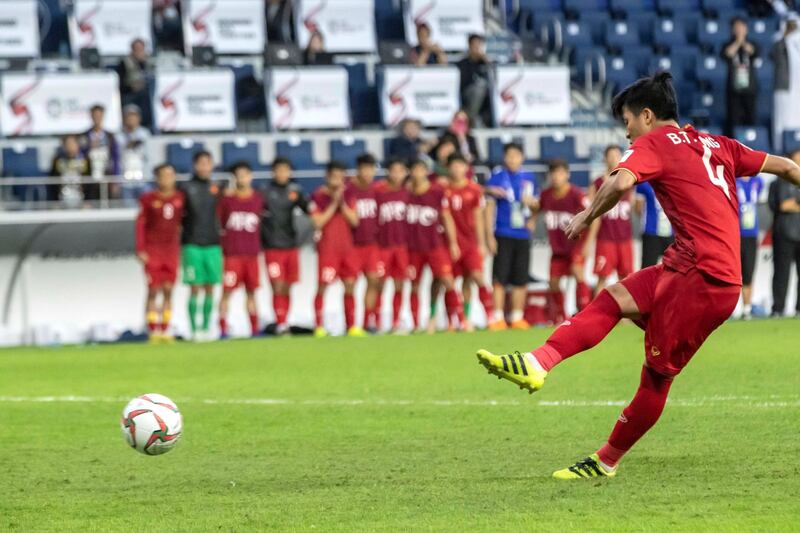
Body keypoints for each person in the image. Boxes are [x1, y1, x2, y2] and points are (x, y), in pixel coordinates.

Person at [475, 71, 800, 479]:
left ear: (647, 116)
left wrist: (587, 214)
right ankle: (537, 361)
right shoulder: (718, 144)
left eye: (627, 122)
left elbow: (622, 181)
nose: (627, 134)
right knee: (613, 298)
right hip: (685, 263)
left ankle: (605, 461)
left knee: (656, 377)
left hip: (705, 278)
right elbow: (787, 167)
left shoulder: (654, 143)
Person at [484, 142, 537, 331]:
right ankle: (497, 317)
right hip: (502, 233)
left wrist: (533, 217)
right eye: (509, 155)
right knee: (499, 277)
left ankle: (517, 317)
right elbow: (489, 208)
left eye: (516, 155)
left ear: (522, 157)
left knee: (521, 277)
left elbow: (536, 206)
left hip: (522, 234)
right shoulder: (496, 178)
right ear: (505, 158)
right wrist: (489, 236)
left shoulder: (529, 178)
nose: (512, 159)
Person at [406, 158, 463, 332]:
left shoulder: (437, 192)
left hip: (435, 245)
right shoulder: (405, 193)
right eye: (414, 169)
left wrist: (453, 243)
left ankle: (460, 320)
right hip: (413, 247)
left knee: (447, 280)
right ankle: (418, 323)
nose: (417, 173)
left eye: (421, 169)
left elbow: (446, 217)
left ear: (425, 171)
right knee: (415, 285)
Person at [538, 159, 593, 323]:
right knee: (553, 282)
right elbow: (538, 207)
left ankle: (584, 314)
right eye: (553, 173)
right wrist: (532, 218)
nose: (556, 177)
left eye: (560, 173)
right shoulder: (546, 195)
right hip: (558, 248)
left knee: (578, 271)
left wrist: (589, 243)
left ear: (567, 175)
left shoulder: (577, 195)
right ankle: (561, 317)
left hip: (577, 243)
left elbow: (594, 216)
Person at [310, 161, 360, 337]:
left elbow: (355, 221)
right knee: (323, 286)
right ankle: (319, 326)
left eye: (341, 177)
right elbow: (318, 223)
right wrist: (333, 204)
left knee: (350, 285)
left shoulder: (350, 196)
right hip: (328, 249)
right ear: (327, 177)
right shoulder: (318, 197)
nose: (337, 180)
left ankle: (351, 326)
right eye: (334, 177)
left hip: (347, 249)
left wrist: (342, 204)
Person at [134, 163, 184, 342]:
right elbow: (140, 224)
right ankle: (153, 329)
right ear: (157, 178)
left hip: (171, 250)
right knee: (153, 289)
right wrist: (140, 249)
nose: (167, 179)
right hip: (153, 250)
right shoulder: (148, 199)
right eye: (164, 175)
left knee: (169, 290)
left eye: (171, 175)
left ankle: (165, 328)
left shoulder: (180, 198)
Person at [261, 157, 309, 335]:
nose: (282, 174)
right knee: (277, 285)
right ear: (273, 172)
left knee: (288, 286)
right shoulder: (265, 192)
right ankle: (280, 323)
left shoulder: (295, 192)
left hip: (291, 245)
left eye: (285, 170)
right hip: (272, 247)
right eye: (279, 170)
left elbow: (311, 211)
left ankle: (285, 320)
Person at [446, 153, 493, 331]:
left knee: (475, 277)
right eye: (454, 165)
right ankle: (459, 320)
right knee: (450, 280)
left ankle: (489, 316)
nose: (457, 169)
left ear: (466, 168)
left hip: (471, 243)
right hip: (451, 243)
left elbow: (478, 217)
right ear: (449, 168)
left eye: (461, 165)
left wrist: (482, 243)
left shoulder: (474, 190)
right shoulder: (445, 190)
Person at [179, 151, 222, 341]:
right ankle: (194, 329)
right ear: (195, 165)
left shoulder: (217, 188)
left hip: (213, 244)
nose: (205, 167)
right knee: (195, 287)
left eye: (208, 163)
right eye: (201, 163)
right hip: (192, 244)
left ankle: (206, 327)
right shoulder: (185, 188)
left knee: (210, 287)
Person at [217, 163, 264, 338]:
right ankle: (222, 328)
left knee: (251, 292)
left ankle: (254, 329)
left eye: (245, 174)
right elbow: (220, 223)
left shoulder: (259, 199)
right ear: (234, 178)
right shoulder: (227, 201)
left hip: (251, 254)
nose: (242, 178)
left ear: (250, 176)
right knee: (226, 292)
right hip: (232, 255)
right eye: (238, 175)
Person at [589, 145, 634, 294]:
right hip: (605, 239)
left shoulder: (629, 181)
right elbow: (590, 212)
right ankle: (596, 314)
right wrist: (589, 241)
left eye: (617, 155)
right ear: (605, 159)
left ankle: (626, 315)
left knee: (627, 279)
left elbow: (632, 206)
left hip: (625, 239)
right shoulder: (597, 183)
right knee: (602, 278)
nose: (614, 158)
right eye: (611, 155)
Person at [375, 158, 412, 333]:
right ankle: (376, 321)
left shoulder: (408, 193)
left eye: (401, 170)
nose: (397, 174)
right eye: (394, 170)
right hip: (383, 246)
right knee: (378, 284)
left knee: (400, 284)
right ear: (388, 172)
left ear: (406, 173)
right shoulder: (379, 191)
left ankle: (396, 321)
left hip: (402, 247)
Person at [347, 153, 381, 333]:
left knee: (373, 281)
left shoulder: (377, 190)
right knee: (350, 283)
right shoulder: (349, 189)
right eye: (364, 169)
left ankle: (369, 321)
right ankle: (351, 324)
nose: (368, 173)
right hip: (352, 245)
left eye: (371, 169)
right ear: (358, 170)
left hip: (372, 244)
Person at [769, 149, 800, 317]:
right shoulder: (778, 183)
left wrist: (792, 204)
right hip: (783, 234)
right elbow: (782, 206)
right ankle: (778, 309)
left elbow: (789, 205)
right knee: (781, 273)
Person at [722, 17, 759, 136]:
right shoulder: (727, 44)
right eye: (736, 28)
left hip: (750, 88)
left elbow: (753, 51)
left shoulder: (752, 43)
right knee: (733, 119)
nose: (739, 30)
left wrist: (743, 41)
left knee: (750, 118)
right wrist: (738, 41)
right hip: (733, 88)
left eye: (741, 27)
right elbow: (728, 53)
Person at [736, 172, 764, 319]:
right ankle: (727, 309)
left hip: (751, 234)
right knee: (732, 273)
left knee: (748, 272)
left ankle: (746, 309)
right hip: (735, 234)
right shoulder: (733, 180)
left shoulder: (758, 181)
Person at [771, 14, 800, 153]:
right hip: (784, 88)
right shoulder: (779, 41)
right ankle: (780, 149)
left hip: (798, 88)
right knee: (782, 120)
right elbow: (774, 54)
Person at [81, 104, 120, 198]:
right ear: (91, 116)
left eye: (99, 115)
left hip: (106, 176)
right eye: (95, 115)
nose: (97, 118)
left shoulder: (110, 137)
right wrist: (88, 148)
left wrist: (115, 178)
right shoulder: (84, 136)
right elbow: (81, 157)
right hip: (90, 177)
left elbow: (115, 158)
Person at [116, 104, 150, 204]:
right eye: (128, 116)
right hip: (125, 182)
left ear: (139, 118)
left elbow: (148, 155)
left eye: (134, 116)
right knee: (128, 211)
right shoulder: (118, 135)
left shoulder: (145, 133)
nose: (131, 119)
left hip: (143, 180)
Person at [635, 180, 673, 268]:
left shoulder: (644, 182)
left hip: (657, 232)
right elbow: (638, 208)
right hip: (652, 232)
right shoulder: (643, 183)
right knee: (649, 269)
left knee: (648, 269)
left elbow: (638, 208)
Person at [457, 34, 492, 128]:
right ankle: (471, 119)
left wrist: (487, 61)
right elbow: (463, 83)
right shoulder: (463, 63)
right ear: (469, 46)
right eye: (474, 45)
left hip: (485, 93)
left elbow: (494, 78)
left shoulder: (484, 62)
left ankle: (484, 121)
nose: (477, 48)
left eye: (479, 45)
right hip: (467, 92)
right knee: (480, 88)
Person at [118, 38, 152, 128]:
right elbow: (120, 84)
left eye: (141, 49)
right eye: (136, 49)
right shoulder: (124, 63)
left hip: (145, 94)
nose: (139, 52)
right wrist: (131, 87)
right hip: (129, 94)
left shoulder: (148, 62)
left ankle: (148, 125)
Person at [50, 134, 91, 207]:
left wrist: (88, 201)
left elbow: (89, 183)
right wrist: (55, 201)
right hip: (62, 199)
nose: (70, 147)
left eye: (72, 143)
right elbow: (52, 183)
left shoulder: (85, 161)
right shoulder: (57, 161)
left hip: (81, 199)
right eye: (68, 144)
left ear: (77, 145)